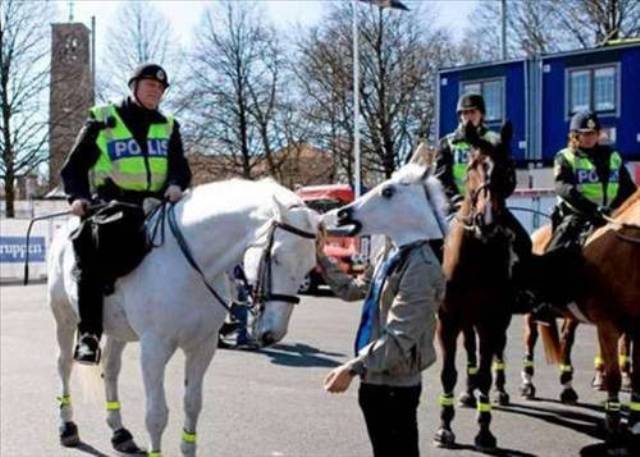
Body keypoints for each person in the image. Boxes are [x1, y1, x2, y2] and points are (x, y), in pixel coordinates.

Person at [60, 63, 192, 364]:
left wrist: (175, 183)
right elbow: (74, 167)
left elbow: (180, 166)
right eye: (149, 84)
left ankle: (211, 318)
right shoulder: (104, 118)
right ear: (133, 86)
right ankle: (90, 335)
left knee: (200, 240)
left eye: (160, 87)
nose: (155, 90)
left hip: (159, 205)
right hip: (114, 206)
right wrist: (78, 196)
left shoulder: (169, 124)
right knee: (91, 249)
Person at [318, 230, 445, 457]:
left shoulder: (421, 265)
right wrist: (320, 256)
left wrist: (353, 367)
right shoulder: (389, 250)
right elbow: (352, 289)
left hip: (396, 385)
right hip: (374, 377)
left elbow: (401, 335)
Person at [433, 93, 532, 301]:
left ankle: (523, 292)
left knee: (523, 241)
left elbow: (509, 176)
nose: (468, 116)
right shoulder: (448, 143)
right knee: (430, 241)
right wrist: (456, 201)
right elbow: (441, 179)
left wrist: (496, 198)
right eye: (464, 113)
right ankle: (431, 289)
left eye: (473, 112)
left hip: (491, 204)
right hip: (457, 206)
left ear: (482, 114)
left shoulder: (495, 140)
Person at [547, 110, 637, 252]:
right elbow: (563, 188)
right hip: (578, 217)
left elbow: (627, 188)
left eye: (593, 133)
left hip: (612, 215)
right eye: (584, 134)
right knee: (553, 257)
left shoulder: (612, 156)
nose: (589, 137)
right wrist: (592, 210)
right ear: (574, 135)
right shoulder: (565, 157)